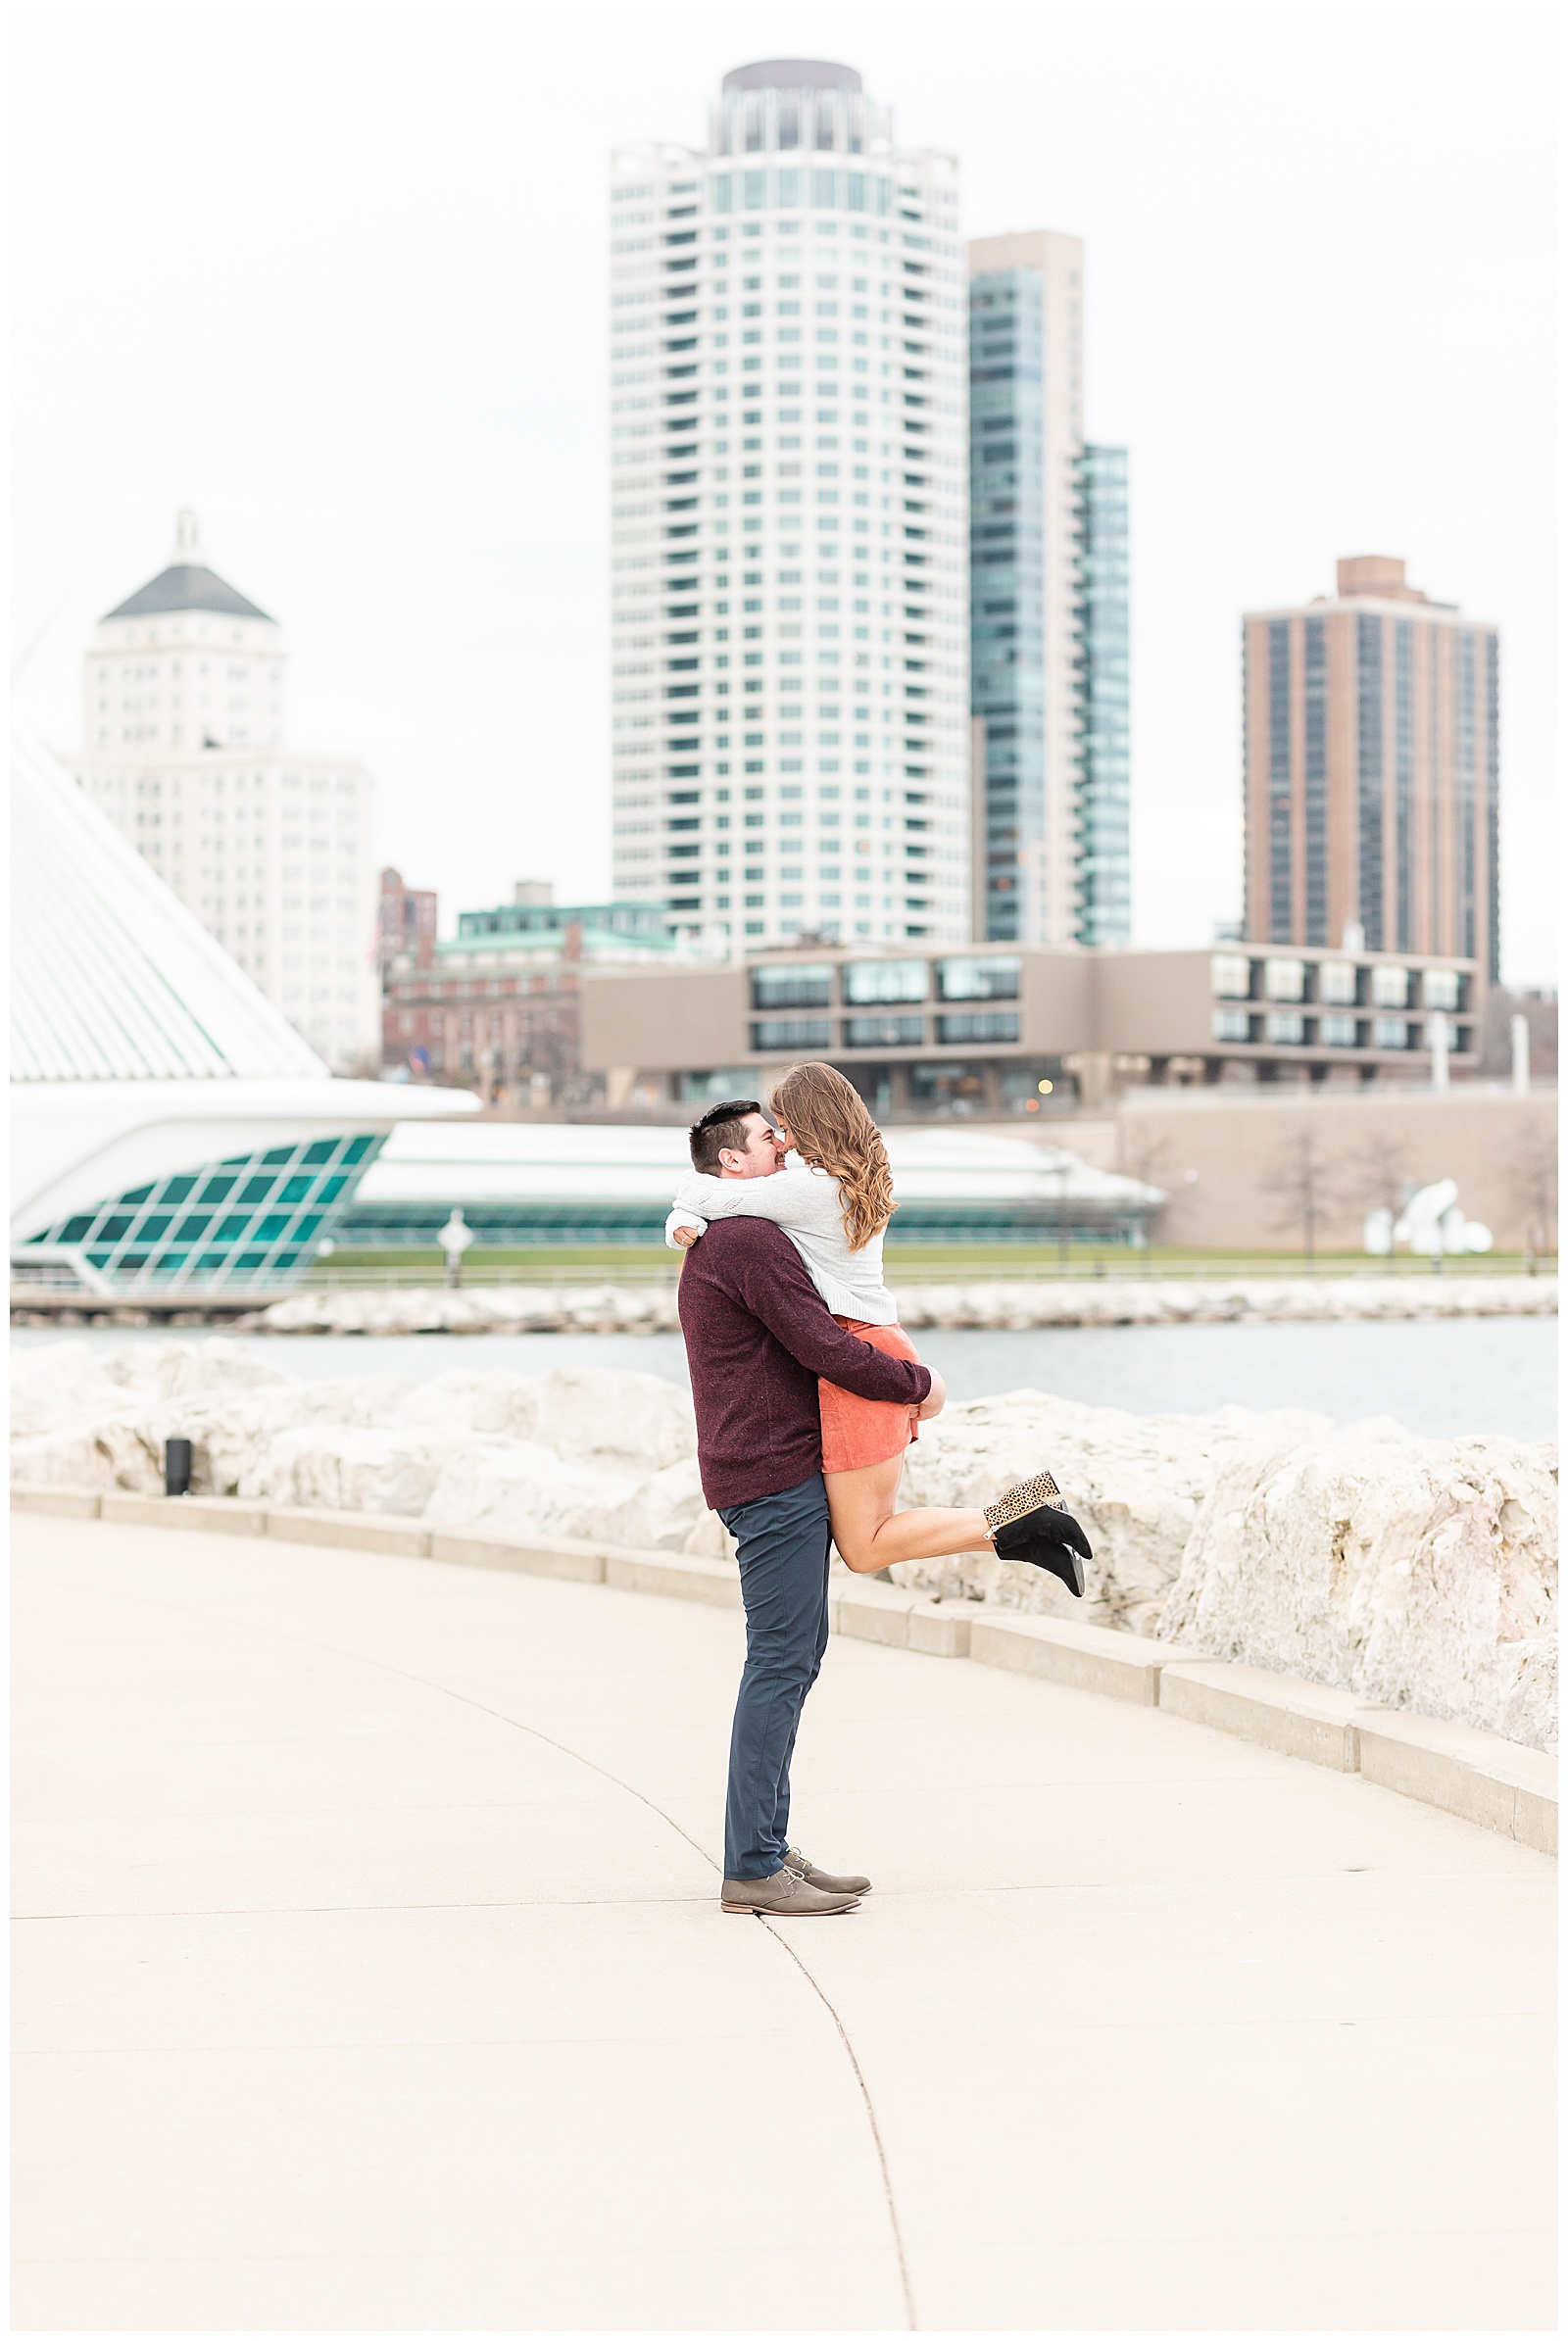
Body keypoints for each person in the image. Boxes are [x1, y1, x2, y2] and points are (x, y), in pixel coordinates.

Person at [673, 1079, 1093, 1924]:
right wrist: (920, 1383)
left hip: (769, 1464)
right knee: (784, 1659)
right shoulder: (747, 1239)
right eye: (765, 1139)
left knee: (796, 1652)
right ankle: (753, 1863)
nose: (781, 1147)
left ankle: (765, 1843)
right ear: (730, 1162)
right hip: (771, 1471)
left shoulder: (746, 1229)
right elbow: (821, 1343)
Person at [668, 1065, 1091, 1588]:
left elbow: (710, 1195)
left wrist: (677, 1222)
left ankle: (1023, 1516)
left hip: (856, 1351)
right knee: (868, 1537)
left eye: (785, 1126)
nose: (782, 1141)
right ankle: (1027, 1519)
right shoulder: (853, 1176)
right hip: (878, 1338)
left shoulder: (805, 1189)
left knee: (865, 1545)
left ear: (808, 1121)